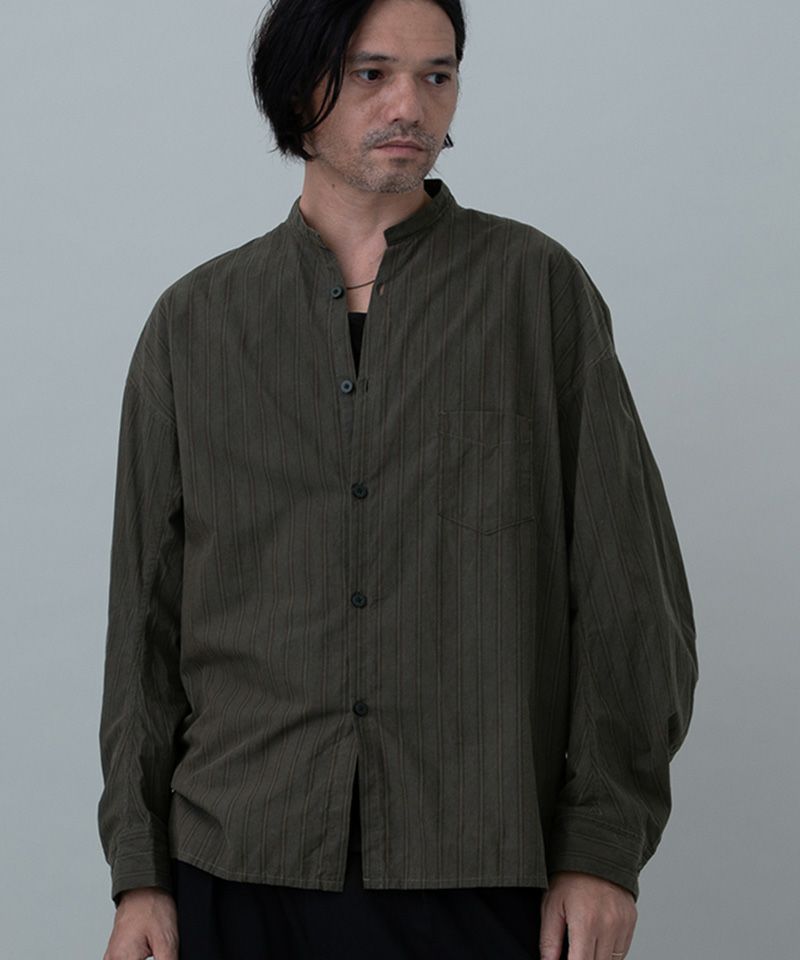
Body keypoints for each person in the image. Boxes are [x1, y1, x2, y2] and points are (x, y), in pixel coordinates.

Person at [97, 1, 698, 958]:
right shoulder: (194, 324)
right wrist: (140, 873)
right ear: (299, 89)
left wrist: (600, 848)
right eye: (372, 74)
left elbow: (631, 596)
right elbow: (145, 626)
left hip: (474, 867)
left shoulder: (536, 293)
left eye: (437, 75)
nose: (410, 106)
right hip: (237, 862)